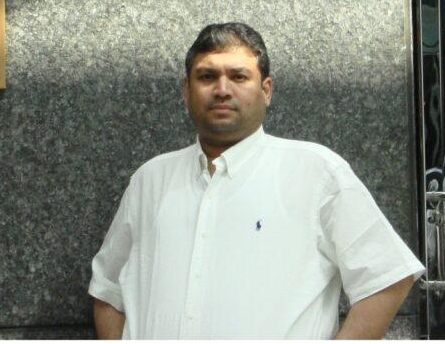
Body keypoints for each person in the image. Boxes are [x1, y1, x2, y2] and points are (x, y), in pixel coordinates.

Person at [89, 22, 424, 339]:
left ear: (266, 90)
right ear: (186, 90)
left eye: (239, 76)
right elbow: (107, 288)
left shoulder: (316, 171)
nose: (222, 90)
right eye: (207, 77)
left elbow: (386, 278)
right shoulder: (151, 179)